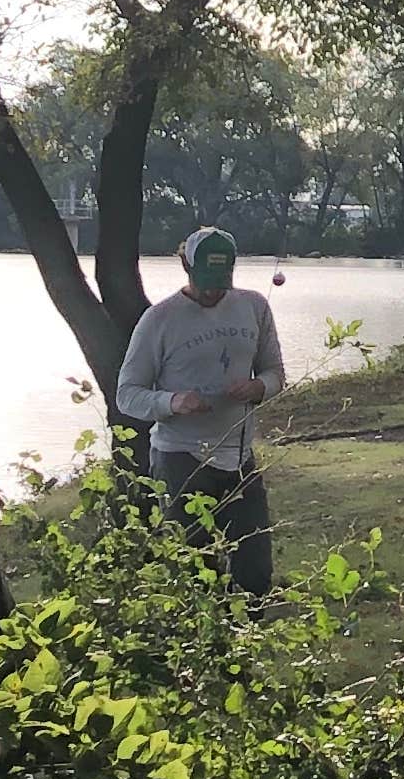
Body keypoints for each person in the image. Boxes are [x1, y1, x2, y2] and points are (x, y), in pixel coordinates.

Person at [114, 226, 285, 595]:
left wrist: (258, 387)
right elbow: (127, 394)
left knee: (254, 567)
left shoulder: (254, 306)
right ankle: (201, 644)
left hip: (239, 456)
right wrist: (172, 402)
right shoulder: (160, 319)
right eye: (205, 279)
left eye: (220, 280)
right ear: (186, 267)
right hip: (180, 458)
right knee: (194, 569)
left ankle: (249, 636)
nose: (212, 290)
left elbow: (274, 373)